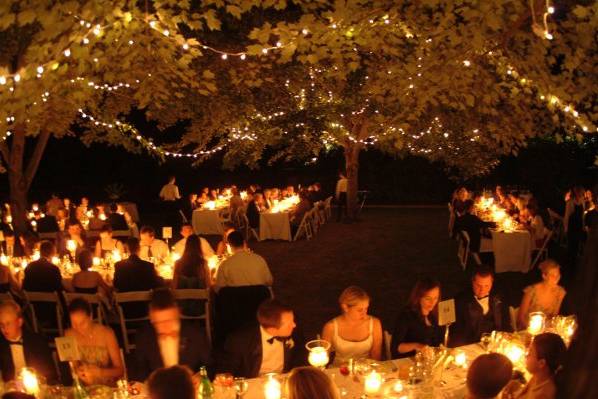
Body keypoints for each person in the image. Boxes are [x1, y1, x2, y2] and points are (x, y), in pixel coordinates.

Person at [134, 288, 211, 381]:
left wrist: (200, 376)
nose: (165, 327)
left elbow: (210, 365)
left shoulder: (195, 333)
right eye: (159, 323)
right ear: (151, 318)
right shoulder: (144, 337)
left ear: (177, 313)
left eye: (169, 321)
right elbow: (140, 372)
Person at [216, 299, 307, 378]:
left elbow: (301, 360)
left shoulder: (295, 332)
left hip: (284, 381)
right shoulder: (239, 341)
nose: (294, 325)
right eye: (289, 323)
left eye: (293, 320)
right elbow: (226, 370)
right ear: (272, 329)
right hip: (254, 384)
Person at [65, 298, 124, 386]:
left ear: (91, 317)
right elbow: (73, 368)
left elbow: (120, 371)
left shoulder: (107, 333)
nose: (78, 328)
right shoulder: (68, 334)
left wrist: (100, 372)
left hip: (107, 387)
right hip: (84, 387)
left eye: (82, 323)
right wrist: (79, 371)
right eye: (74, 324)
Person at [321, 286, 382, 365]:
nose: (364, 313)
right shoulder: (330, 327)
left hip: (365, 370)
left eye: (366, 308)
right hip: (340, 370)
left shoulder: (374, 323)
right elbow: (323, 358)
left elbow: (376, 356)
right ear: (345, 307)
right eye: (360, 310)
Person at [451, 266, 511, 347]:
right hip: (471, 344)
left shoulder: (499, 295)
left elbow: (506, 321)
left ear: (492, 282)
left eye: (487, 286)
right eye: (478, 285)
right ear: (473, 282)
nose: (482, 290)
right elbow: (457, 331)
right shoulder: (460, 300)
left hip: (497, 342)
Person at [0, 300, 56, 383]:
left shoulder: (37, 341)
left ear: (19, 322)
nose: (5, 329)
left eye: (8, 323)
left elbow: (50, 373)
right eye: (1, 325)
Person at [391, 278, 445, 358]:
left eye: (435, 298)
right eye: (428, 298)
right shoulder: (406, 315)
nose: (432, 302)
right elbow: (395, 348)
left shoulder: (435, 314)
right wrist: (417, 345)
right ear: (419, 297)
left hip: (431, 360)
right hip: (409, 362)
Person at [503, 333, 566, 399]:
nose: (526, 355)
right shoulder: (539, 378)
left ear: (541, 363)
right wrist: (518, 387)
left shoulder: (543, 395)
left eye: (530, 352)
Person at [517, 260, 566, 330]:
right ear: (544, 276)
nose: (556, 279)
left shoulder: (560, 292)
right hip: (528, 329)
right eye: (552, 275)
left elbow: (554, 317)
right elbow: (520, 319)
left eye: (558, 275)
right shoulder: (531, 291)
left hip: (546, 330)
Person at [563, 186, 585, 270]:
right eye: (580, 192)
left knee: (576, 246)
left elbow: (582, 215)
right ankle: (568, 265)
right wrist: (566, 228)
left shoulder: (582, 201)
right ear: (576, 192)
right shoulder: (570, 202)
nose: (581, 194)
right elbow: (567, 216)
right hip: (572, 227)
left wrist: (583, 226)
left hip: (578, 226)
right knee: (570, 246)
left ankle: (574, 264)